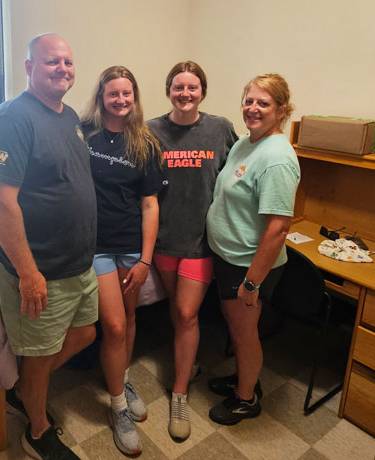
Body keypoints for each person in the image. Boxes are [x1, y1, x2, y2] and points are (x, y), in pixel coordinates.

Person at [0, 34, 97, 460]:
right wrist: (29, 274)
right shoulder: (12, 118)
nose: (63, 69)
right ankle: (37, 429)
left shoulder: (69, 117)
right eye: (52, 62)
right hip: (40, 267)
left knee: (85, 334)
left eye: (68, 62)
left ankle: (27, 384)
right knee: (41, 350)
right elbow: (0, 201)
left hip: (78, 264)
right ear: (29, 67)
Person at [146, 61, 238, 441]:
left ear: (203, 91)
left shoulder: (220, 128)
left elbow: (238, 174)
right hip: (164, 240)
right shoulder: (151, 130)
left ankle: (180, 392)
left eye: (193, 87)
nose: (185, 93)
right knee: (175, 307)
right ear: (168, 90)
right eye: (178, 87)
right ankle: (192, 362)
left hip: (201, 242)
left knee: (186, 313)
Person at [205, 73, 300, 425]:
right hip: (230, 257)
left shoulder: (276, 158)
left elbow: (278, 228)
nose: (253, 108)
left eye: (263, 103)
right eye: (249, 100)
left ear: (282, 110)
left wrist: (251, 283)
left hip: (248, 267)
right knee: (237, 330)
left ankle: (246, 399)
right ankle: (244, 378)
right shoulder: (247, 142)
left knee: (245, 335)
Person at [80, 66, 165, 455]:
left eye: (127, 94)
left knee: (130, 320)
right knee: (113, 326)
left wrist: (146, 259)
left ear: (135, 96)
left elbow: (150, 204)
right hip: (96, 245)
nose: (121, 100)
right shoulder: (82, 133)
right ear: (101, 97)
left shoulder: (145, 143)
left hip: (131, 246)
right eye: (113, 94)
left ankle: (122, 379)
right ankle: (118, 408)